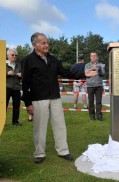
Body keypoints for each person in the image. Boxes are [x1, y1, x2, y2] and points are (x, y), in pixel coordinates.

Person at [21, 32, 92, 164]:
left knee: (60, 125)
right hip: (38, 99)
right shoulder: (27, 60)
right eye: (43, 43)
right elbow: (25, 83)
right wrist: (28, 103)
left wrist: (84, 73)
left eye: (47, 42)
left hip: (55, 97)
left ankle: (63, 150)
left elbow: (66, 72)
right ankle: (39, 153)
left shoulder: (53, 59)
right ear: (34, 44)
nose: (47, 45)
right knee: (40, 128)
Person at [85, 51, 105, 121]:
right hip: (90, 86)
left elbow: (103, 74)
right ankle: (92, 115)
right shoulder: (87, 65)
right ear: (90, 57)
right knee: (91, 101)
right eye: (92, 56)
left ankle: (99, 115)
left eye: (95, 56)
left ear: (97, 57)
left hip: (99, 86)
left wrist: (98, 70)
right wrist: (91, 70)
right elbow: (86, 74)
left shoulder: (101, 65)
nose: (93, 57)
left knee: (99, 102)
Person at [6, 48, 22, 126]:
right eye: (12, 55)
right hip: (6, 88)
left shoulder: (19, 65)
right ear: (8, 55)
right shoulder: (3, 64)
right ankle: (1, 122)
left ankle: (15, 122)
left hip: (16, 88)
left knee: (16, 106)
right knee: (3, 106)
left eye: (16, 55)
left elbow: (23, 75)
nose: (14, 56)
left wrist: (21, 75)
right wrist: (7, 73)